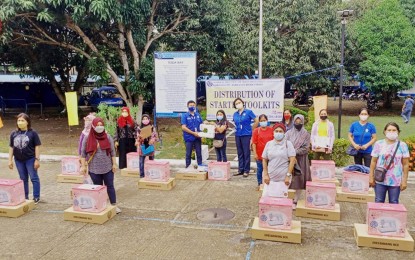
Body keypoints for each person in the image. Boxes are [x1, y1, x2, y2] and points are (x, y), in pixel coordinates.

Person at [80, 117, 121, 214]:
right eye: (97, 125)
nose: (99, 127)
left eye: (101, 125)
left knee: (110, 186)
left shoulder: (108, 137)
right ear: (93, 126)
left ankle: (114, 205)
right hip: (94, 169)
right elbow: (83, 154)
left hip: (108, 168)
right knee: (98, 188)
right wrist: (83, 166)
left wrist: (114, 164)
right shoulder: (87, 138)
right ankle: (100, 205)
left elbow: (112, 152)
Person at [369, 122, 409, 204]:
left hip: (395, 181)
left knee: (394, 202)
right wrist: (371, 177)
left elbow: (405, 164)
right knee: (379, 201)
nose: (391, 132)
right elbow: (373, 161)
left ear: (398, 132)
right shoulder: (379, 144)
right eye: (389, 130)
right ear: (385, 132)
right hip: (380, 179)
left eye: (394, 130)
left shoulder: (402, 145)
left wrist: (404, 180)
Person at [8, 113, 41, 204]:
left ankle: (36, 197)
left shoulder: (32, 133)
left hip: (30, 159)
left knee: (34, 177)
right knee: (23, 179)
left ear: (27, 122)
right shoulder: (13, 133)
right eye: (18, 120)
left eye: (22, 120)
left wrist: (37, 159)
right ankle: (25, 197)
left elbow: (37, 146)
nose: (20, 122)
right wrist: (10, 160)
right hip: (18, 160)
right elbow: (11, 147)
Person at [262, 123, 296, 199]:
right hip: (270, 178)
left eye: (280, 131)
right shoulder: (269, 144)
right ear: (273, 132)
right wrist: (266, 175)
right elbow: (264, 159)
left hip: (283, 179)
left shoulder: (288, 144)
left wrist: (288, 176)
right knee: (268, 199)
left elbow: (292, 160)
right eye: (276, 131)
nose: (278, 133)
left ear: (284, 133)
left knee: (280, 202)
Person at [286, 114, 311, 206]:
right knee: (287, 178)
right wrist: (290, 154)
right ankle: (285, 198)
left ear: (303, 122)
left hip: (301, 160)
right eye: (296, 121)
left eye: (300, 121)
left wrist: (294, 152)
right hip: (289, 159)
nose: (298, 123)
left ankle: (296, 200)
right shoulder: (288, 133)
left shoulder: (306, 134)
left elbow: (306, 148)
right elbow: (285, 144)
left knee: (299, 179)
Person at [232, 98, 258, 177]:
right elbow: (234, 123)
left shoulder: (248, 112)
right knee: (240, 153)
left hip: (246, 134)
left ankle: (246, 170)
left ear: (243, 103)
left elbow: (256, 120)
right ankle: (240, 169)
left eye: (239, 102)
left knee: (246, 152)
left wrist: (252, 129)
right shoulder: (235, 114)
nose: (238, 104)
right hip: (238, 134)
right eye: (236, 103)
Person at [252, 114, 274, 190]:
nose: (263, 122)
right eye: (261, 121)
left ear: (267, 121)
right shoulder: (256, 131)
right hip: (260, 155)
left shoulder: (271, 130)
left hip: (270, 155)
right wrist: (255, 154)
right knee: (260, 170)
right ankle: (260, 184)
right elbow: (254, 143)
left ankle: (269, 184)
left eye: (264, 120)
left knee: (270, 170)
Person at [181, 100, 203, 168]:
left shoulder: (198, 115)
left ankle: (200, 166)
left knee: (199, 153)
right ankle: (188, 167)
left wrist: (208, 123)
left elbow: (202, 124)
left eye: (193, 105)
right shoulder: (185, 116)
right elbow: (183, 127)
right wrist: (193, 133)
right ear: (187, 106)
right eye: (190, 105)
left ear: (195, 106)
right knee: (188, 153)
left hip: (197, 137)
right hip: (189, 137)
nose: (192, 107)